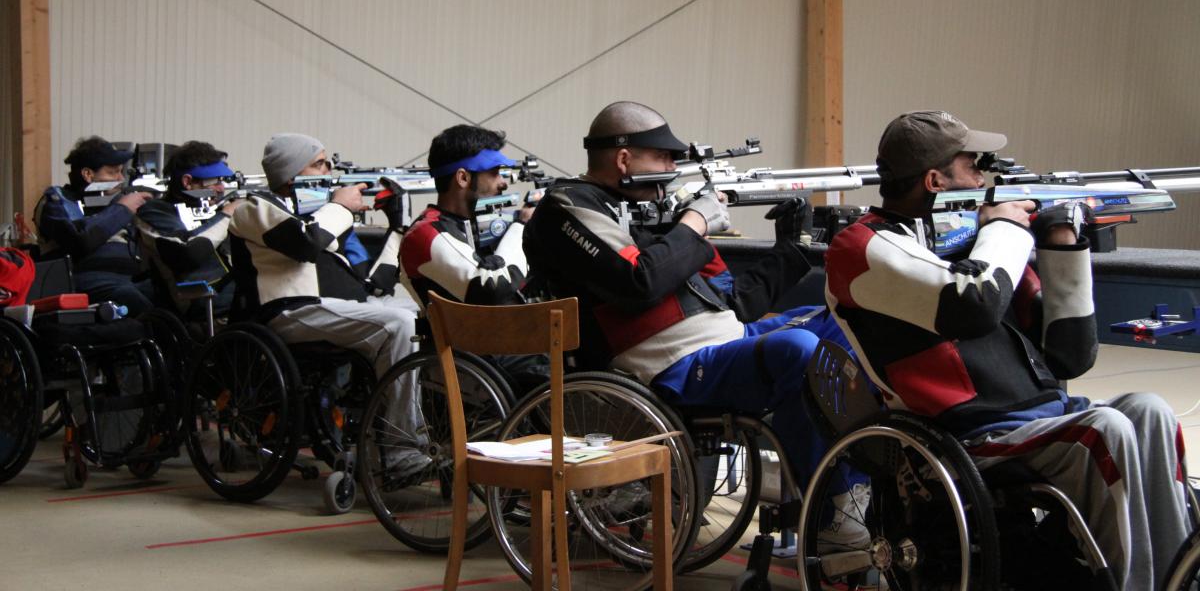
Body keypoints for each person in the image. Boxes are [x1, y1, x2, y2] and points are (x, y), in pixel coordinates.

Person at [823, 109, 1191, 590]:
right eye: (974, 165)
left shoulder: (975, 246)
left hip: (1037, 418)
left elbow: (1070, 355)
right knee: (1104, 429)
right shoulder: (862, 246)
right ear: (936, 180)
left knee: (1150, 412)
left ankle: (1177, 577)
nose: (985, 176)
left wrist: (1062, 244)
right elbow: (972, 305)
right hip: (966, 435)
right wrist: (1007, 229)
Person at [522, 101, 863, 545]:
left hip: (725, 342)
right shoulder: (568, 207)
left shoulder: (660, 214)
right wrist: (696, 221)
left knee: (849, 323)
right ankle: (832, 510)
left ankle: (849, 491)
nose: (672, 168)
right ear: (625, 159)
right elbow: (638, 282)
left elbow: (734, 302)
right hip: (665, 368)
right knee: (798, 351)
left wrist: (791, 251)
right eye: (663, 157)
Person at [228, 133, 419, 396]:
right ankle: (402, 433)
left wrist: (398, 227)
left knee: (431, 314)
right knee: (399, 322)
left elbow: (374, 285)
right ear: (290, 175)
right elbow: (305, 243)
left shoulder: (325, 218)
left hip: (345, 306)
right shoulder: (253, 208)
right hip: (290, 311)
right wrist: (340, 206)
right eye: (319, 164)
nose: (329, 170)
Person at [382, 123, 546, 395]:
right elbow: (492, 286)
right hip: (477, 358)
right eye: (494, 172)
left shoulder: (467, 226)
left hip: (499, 347)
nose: (502, 182)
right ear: (462, 178)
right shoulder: (426, 234)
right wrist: (521, 225)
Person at [34, 136, 154, 315]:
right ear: (88, 175)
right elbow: (80, 240)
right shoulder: (58, 200)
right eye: (113, 172)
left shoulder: (117, 201)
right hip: (82, 280)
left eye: (121, 172)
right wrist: (123, 209)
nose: (121, 179)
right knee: (133, 299)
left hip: (131, 279)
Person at [135, 141, 243, 324]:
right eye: (215, 181)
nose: (221, 188)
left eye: (222, 181)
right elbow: (188, 253)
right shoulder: (156, 212)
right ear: (188, 182)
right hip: (201, 303)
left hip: (236, 294)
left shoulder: (215, 209)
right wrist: (226, 216)